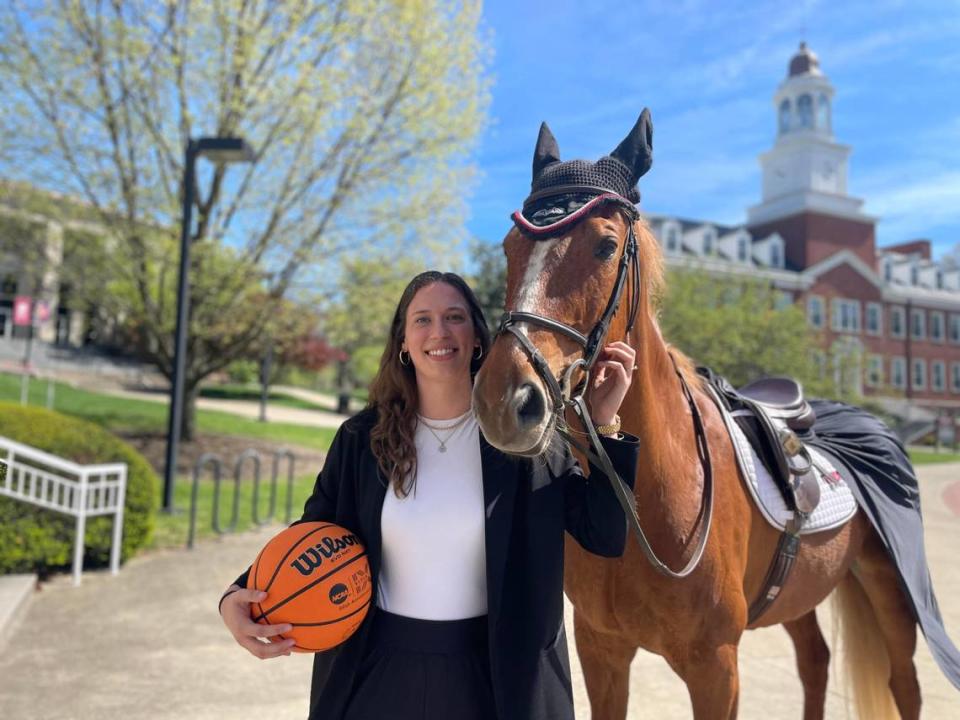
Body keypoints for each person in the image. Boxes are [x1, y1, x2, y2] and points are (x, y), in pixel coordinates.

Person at [219, 270, 640, 720]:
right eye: (422, 320)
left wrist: (604, 424)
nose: (439, 332)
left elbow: (604, 533)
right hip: (376, 670)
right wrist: (241, 593)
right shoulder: (362, 439)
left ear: (478, 337)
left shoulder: (525, 439)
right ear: (403, 341)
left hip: (495, 678)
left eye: (454, 317)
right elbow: (314, 533)